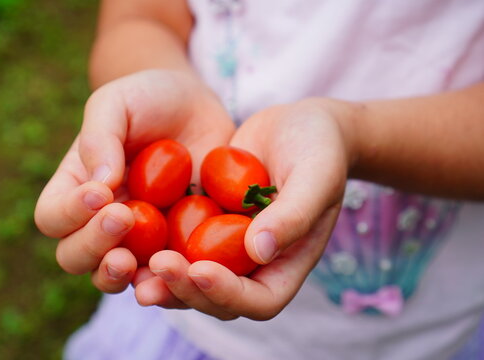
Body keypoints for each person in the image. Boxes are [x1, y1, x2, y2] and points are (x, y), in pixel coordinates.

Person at [34, 0, 484, 359]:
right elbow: (140, 16)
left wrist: (356, 136)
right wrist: (155, 80)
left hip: (427, 335)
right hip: (181, 317)